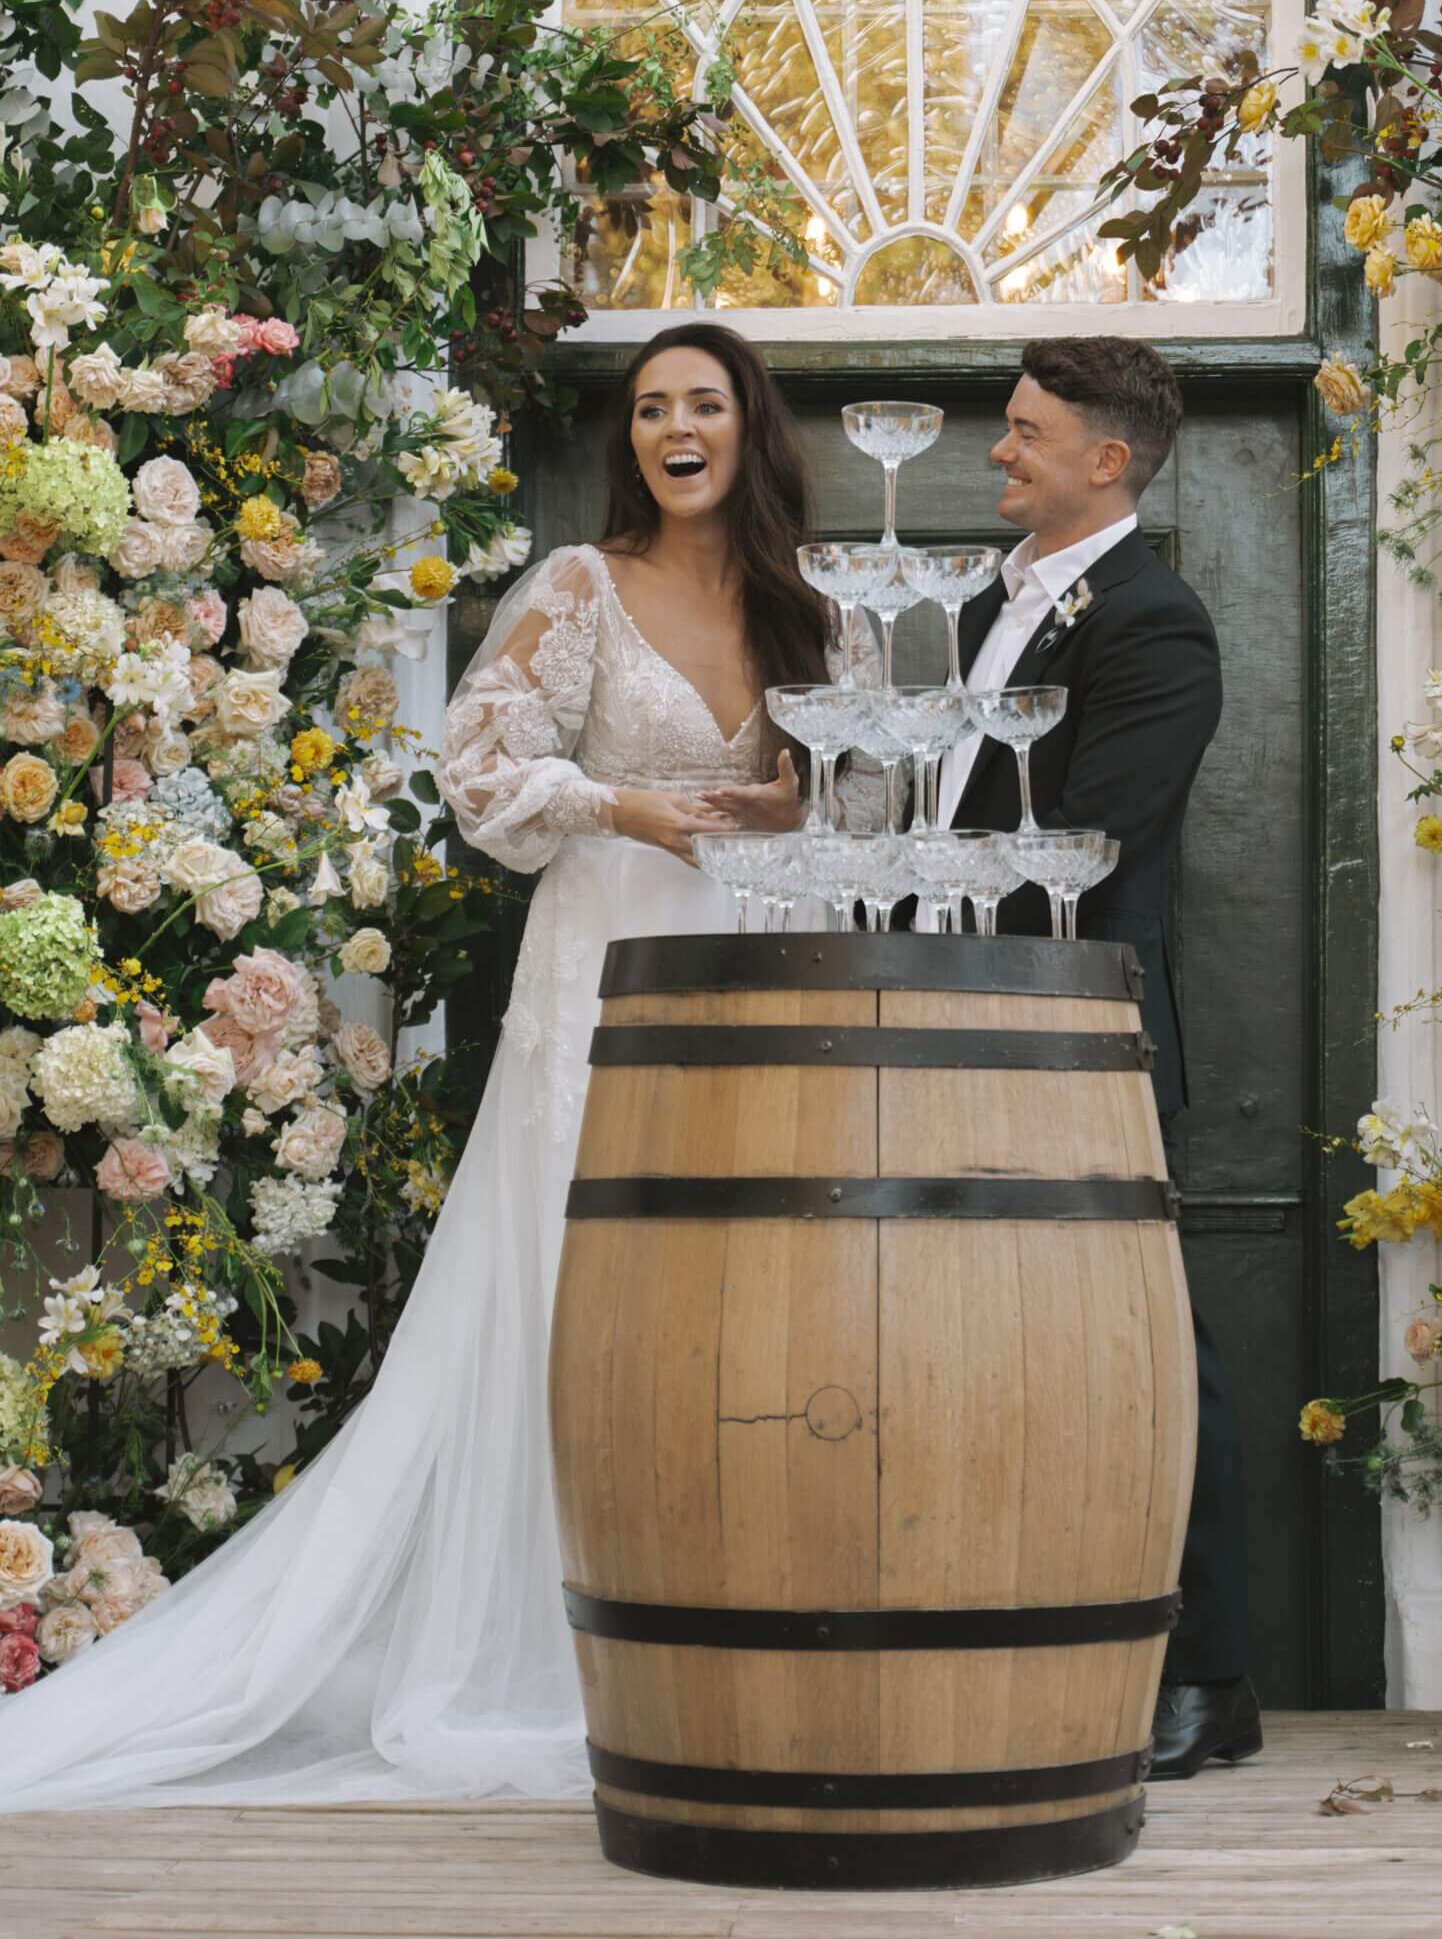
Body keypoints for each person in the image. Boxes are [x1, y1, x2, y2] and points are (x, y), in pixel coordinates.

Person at [0, 324, 871, 1810]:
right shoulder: (583, 586)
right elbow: (475, 766)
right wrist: (620, 804)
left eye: (704, 405)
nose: (675, 428)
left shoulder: (820, 604)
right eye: (650, 407)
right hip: (610, 956)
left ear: (752, 428)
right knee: (588, 1280)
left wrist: (800, 812)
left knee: (757, 1284)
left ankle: (742, 1612)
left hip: (765, 956)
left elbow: (878, 797)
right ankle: (568, 1640)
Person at [939, 334, 1260, 1782]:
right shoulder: (984, 606)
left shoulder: (1154, 622)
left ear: (1107, 461)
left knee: (1146, 1353)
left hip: (1078, 1038)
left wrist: (932, 903)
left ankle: (1209, 1678)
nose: (1000, 451)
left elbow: (1089, 844)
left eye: (1026, 431)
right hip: (948, 1026)